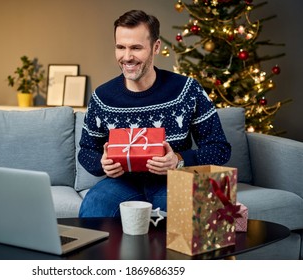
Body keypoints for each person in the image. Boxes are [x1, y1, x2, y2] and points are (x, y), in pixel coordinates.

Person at [78, 10, 231, 217]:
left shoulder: (187, 90)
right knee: (94, 206)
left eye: (136, 48)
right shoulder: (102, 97)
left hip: (173, 181)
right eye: (120, 47)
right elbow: (86, 150)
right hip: (121, 184)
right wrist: (101, 163)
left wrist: (178, 159)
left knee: (198, 214)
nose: (127, 57)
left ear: (156, 47)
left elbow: (219, 148)